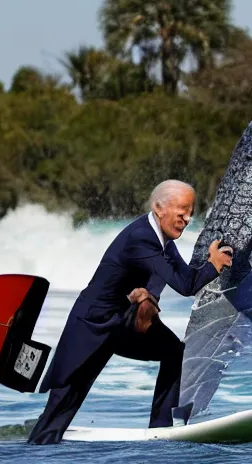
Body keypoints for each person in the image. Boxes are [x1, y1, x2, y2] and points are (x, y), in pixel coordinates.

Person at [27, 179, 233, 445]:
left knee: (173, 351)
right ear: (160, 208)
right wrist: (213, 265)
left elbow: (183, 278)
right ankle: (32, 453)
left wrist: (151, 296)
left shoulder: (163, 242)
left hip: (122, 324)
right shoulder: (142, 238)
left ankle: (161, 428)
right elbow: (185, 286)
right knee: (63, 404)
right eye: (182, 211)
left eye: (190, 212)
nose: (187, 218)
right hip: (92, 325)